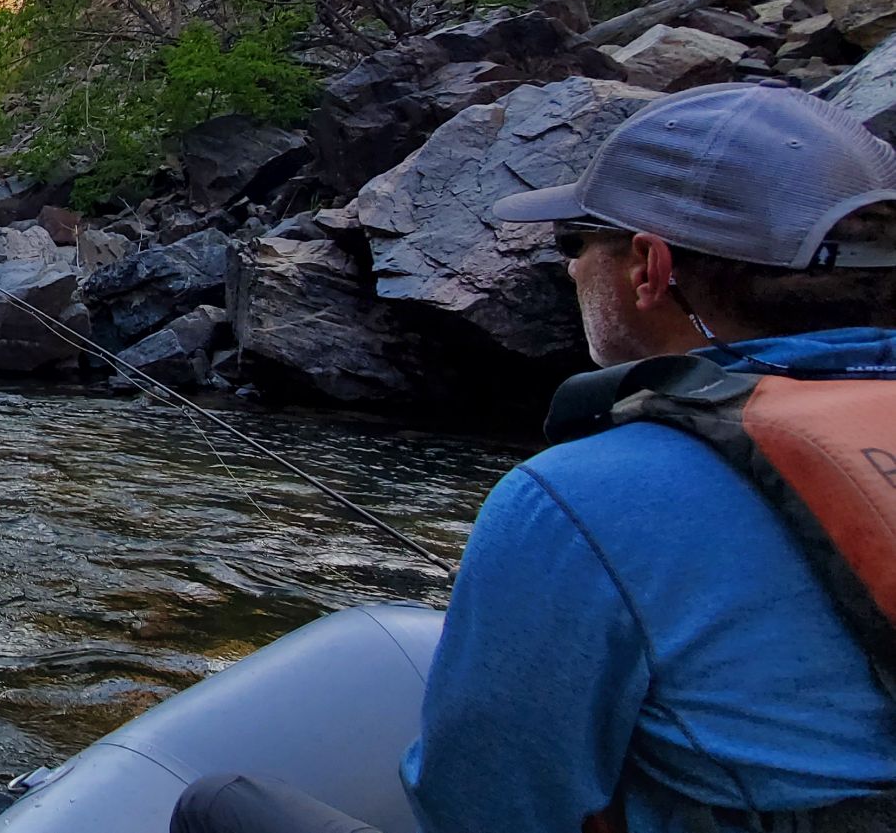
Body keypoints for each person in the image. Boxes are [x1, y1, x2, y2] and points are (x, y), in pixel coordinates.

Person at [173, 82, 896, 833]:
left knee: (217, 805)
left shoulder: (579, 498)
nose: (571, 269)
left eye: (574, 242)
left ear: (649, 268)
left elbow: (481, 811)